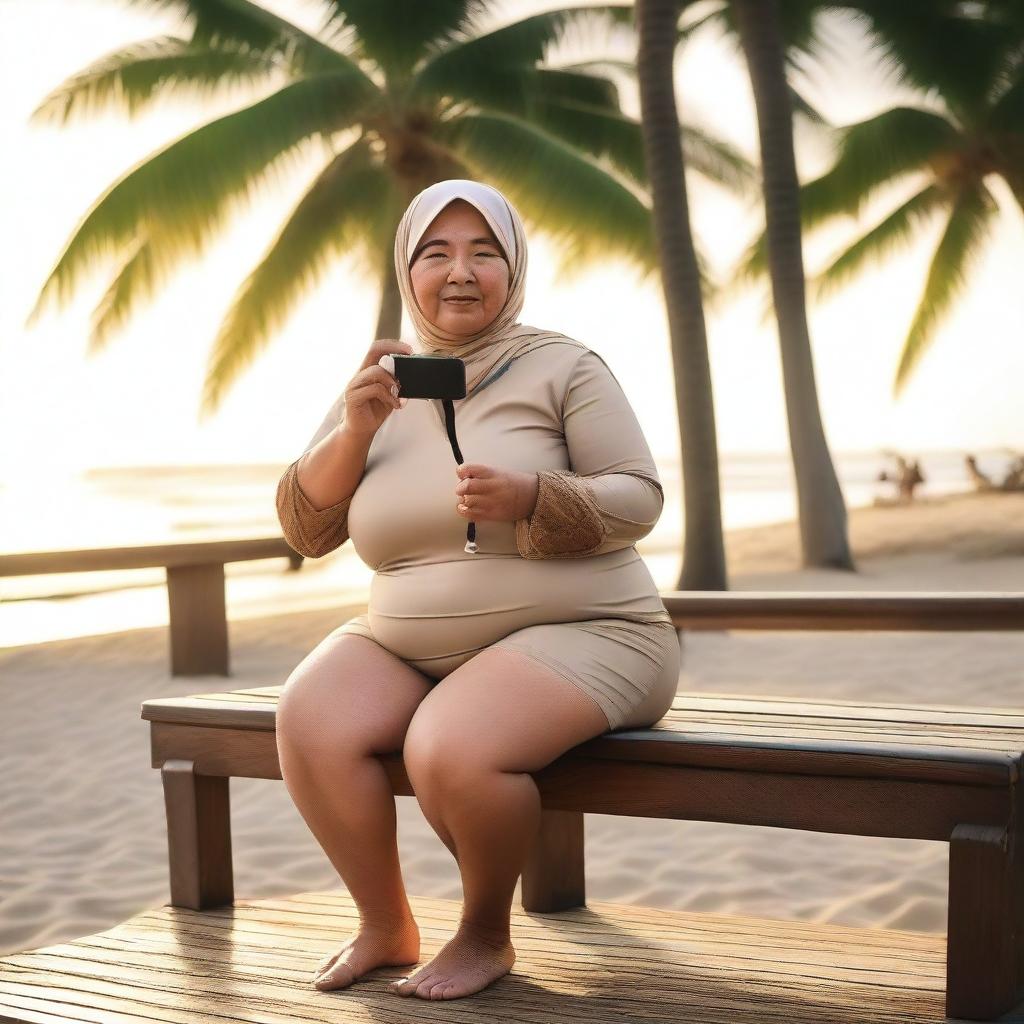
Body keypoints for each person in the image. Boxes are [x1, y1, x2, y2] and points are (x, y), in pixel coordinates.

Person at [274, 179, 679, 1001]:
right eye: (436, 253)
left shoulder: (565, 365)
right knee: (310, 716)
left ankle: (485, 933)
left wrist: (535, 495)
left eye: (483, 253)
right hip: (412, 639)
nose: (460, 272)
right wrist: (355, 429)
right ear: (407, 270)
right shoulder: (384, 380)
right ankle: (384, 922)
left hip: (593, 629)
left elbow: (641, 498)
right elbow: (305, 527)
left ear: (513, 268)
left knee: (449, 746)